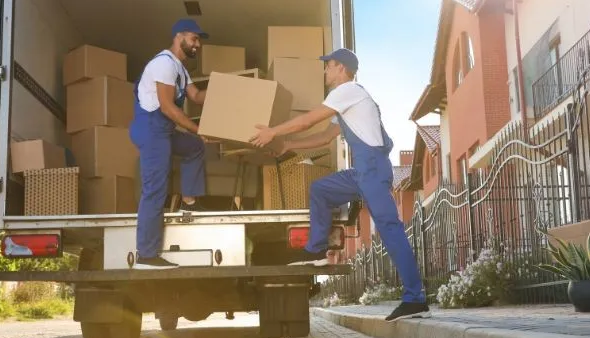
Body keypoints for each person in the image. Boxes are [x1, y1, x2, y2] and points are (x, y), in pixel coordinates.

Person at [249, 48, 430, 321]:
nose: (325, 71)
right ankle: (316, 250)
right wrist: (287, 144)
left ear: (342, 69)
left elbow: (309, 120)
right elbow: (324, 137)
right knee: (320, 190)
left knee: (391, 231)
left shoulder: (349, 91)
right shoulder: (346, 102)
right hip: (361, 172)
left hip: (372, 170)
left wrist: (272, 131)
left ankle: (415, 299)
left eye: (329, 66)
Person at [129, 19, 209, 270]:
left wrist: (227, 90)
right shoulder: (163, 64)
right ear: (179, 37)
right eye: (194, 39)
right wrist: (198, 129)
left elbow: (196, 97)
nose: (197, 45)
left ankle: (189, 201)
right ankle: (146, 254)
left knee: (195, 147)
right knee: (155, 189)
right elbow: (167, 107)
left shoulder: (180, 69)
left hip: (163, 131)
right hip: (152, 130)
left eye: (199, 41)